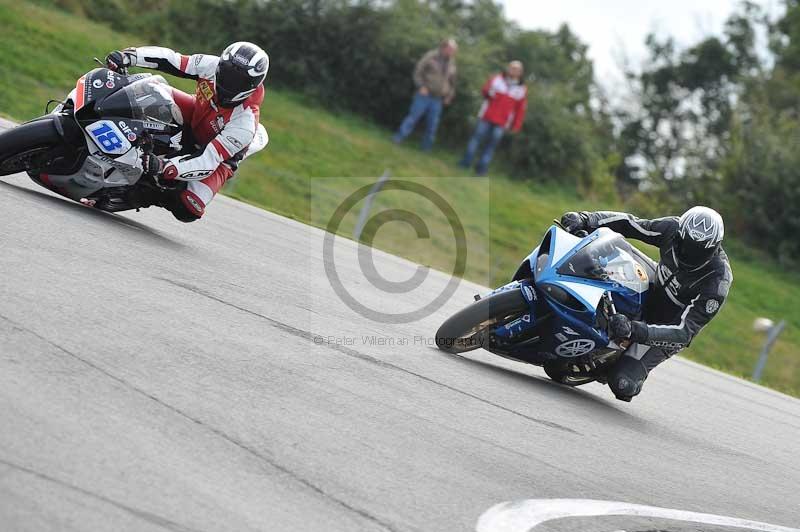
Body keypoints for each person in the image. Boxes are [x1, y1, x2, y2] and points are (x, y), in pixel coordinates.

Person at [559, 207, 733, 401]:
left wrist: (633, 330)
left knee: (623, 384)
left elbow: (683, 333)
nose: (688, 253)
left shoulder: (717, 281)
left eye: (698, 251)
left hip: (668, 325)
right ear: (680, 235)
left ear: (714, 247)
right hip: (656, 282)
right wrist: (586, 219)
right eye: (685, 244)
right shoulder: (672, 228)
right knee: (607, 248)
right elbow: (631, 224)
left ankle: (607, 361)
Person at [104, 42, 269, 222]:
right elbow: (173, 60)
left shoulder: (245, 122)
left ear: (252, 85)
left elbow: (206, 160)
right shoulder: (211, 65)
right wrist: (131, 56)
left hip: (216, 156)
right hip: (196, 113)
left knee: (190, 207)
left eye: (237, 81)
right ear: (221, 65)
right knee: (148, 90)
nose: (228, 82)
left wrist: (163, 166)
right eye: (227, 73)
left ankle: (143, 195)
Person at [459, 61, 527, 176]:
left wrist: (516, 125)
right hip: (486, 116)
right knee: (476, 139)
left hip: (502, 123)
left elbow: (520, 110)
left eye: (517, 69)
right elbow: (484, 91)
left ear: (520, 73)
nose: (513, 71)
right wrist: (488, 92)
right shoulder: (497, 79)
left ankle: (481, 169)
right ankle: (465, 163)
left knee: (490, 146)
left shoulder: (521, 89)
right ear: (508, 68)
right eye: (512, 68)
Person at [392, 39, 458, 151]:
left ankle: (426, 148)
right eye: (451, 49)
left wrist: (449, 96)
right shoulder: (431, 56)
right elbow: (418, 71)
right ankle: (398, 138)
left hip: (438, 99)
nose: (452, 52)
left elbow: (452, 83)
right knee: (412, 118)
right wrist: (421, 86)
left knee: (432, 125)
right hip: (424, 94)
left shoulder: (452, 64)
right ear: (444, 47)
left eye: (454, 50)